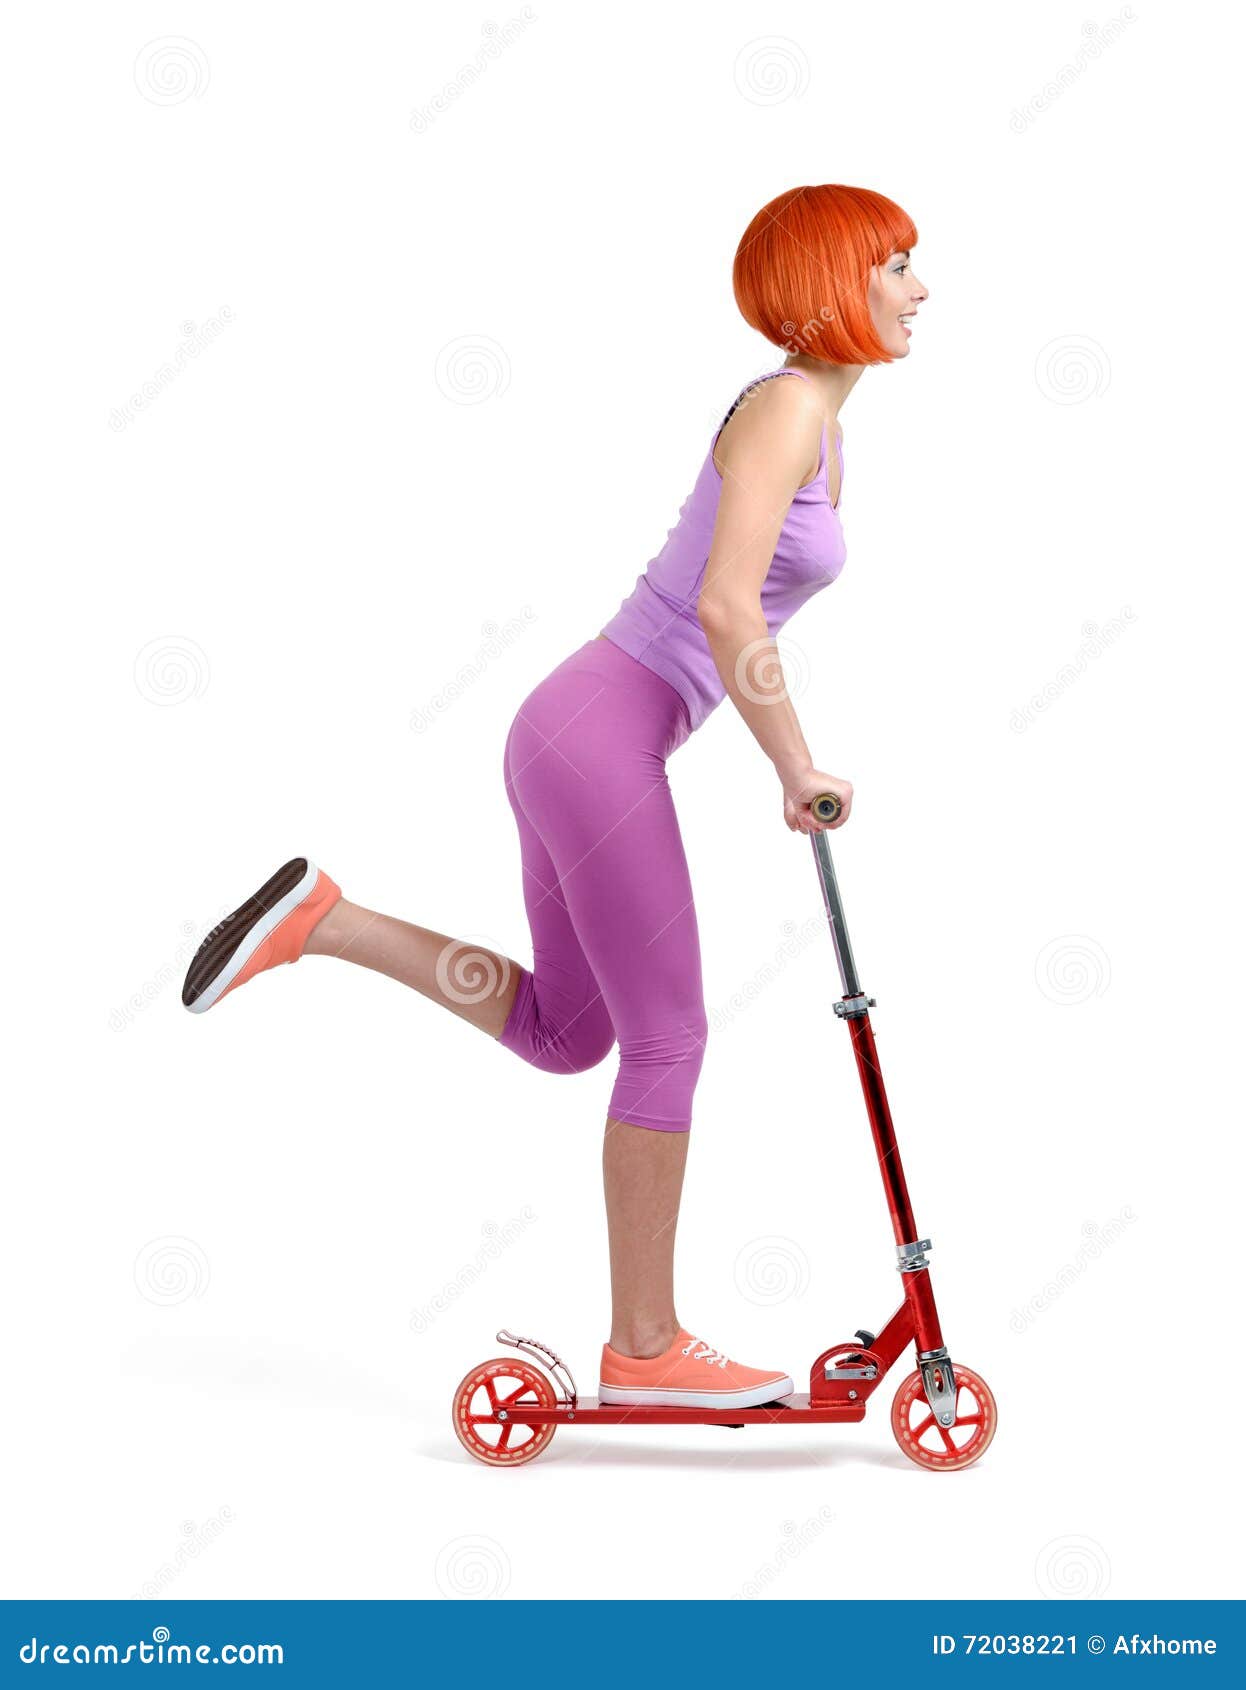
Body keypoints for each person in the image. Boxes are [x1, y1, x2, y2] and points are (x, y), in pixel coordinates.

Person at [181, 183, 928, 1413]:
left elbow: (728, 603)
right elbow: (726, 605)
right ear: (829, 284)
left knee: (567, 1035)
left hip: (582, 733)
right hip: (597, 737)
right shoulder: (790, 407)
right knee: (670, 1039)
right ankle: (645, 1348)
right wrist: (795, 766)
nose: (917, 289)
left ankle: (326, 919)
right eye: (894, 265)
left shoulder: (820, 424)